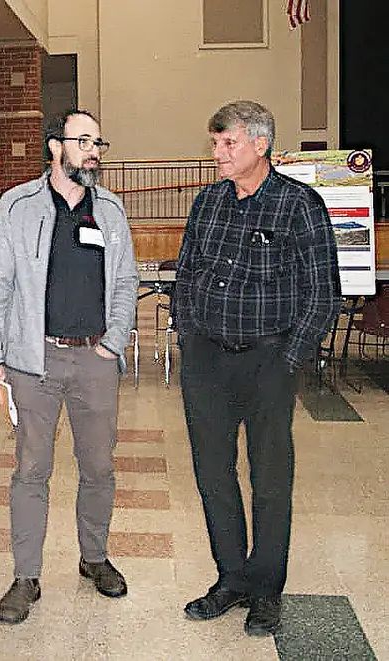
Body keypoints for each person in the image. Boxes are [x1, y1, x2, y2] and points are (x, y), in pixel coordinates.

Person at [173, 100, 341, 636]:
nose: (217, 153)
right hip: (206, 362)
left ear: (260, 146)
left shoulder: (299, 206)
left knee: (269, 479)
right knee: (212, 474)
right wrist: (188, 333)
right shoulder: (207, 203)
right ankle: (232, 579)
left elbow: (323, 295)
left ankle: (266, 587)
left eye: (229, 144)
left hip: (269, 360)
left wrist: (288, 361)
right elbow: (187, 271)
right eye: (215, 143)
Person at [0, 109, 139, 624]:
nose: (94, 151)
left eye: (99, 142)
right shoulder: (18, 206)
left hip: (95, 360)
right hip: (34, 360)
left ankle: (94, 559)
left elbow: (126, 283)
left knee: (99, 467)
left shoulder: (110, 210)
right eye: (83, 141)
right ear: (55, 147)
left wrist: (112, 344)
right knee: (31, 470)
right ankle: (26, 576)